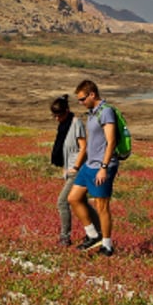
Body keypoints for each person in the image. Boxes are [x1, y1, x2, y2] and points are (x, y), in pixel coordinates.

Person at [67, 79, 121, 256]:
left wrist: (104, 167)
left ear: (92, 94)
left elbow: (111, 141)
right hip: (89, 165)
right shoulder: (92, 113)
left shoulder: (106, 112)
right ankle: (92, 235)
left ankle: (107, 245)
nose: (81, 103)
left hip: (102, 165)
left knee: (102, 206)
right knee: (73, 198)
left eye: (82, 99)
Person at [49, 94, 97, 247]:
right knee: (82, 202)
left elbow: (83, 148)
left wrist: (75, 167)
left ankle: (65, 237)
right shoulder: (63, 126)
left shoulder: (76, 123)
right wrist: (65, 168)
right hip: (70, 170)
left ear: (67, 111)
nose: (57, 118)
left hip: (78, 170)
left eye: (59, 115)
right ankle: (98, 231)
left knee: (62, 202)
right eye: (54, 115)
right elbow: (66, 150)